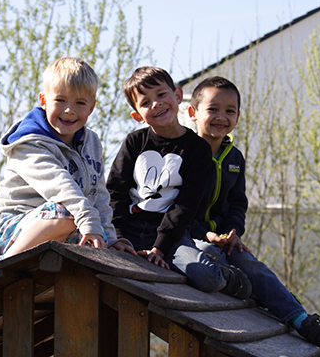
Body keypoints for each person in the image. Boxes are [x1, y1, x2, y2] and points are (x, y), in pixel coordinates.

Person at [187, 76, 320, 353]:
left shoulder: (235, 158)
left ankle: (303, 321)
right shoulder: (184, 154)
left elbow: (238, 203)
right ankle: (257, 290)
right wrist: (205, 233)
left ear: (238, 116)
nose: (221, 117)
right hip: (190, 237)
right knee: (208, 258)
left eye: (230, 111)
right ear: (193, 113)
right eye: (213, 109)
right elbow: (176, 206)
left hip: (222, 239)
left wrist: (234, 232)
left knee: (252, 264)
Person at [0, 57, 134, 278]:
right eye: (60, 100)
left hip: (67, 226)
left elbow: (98, 194)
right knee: (64, 212)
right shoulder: (29, 142)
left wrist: (109, 238)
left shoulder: (91, 142)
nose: (69, 110)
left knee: (96, 250)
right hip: (10, 231)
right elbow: (61, 186)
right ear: (44, 100)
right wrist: (89, 221)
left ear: (92, 107)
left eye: (80, 103)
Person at [106, 66, 252, 299]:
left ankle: (231, 278)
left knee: (205, 276)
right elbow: (115, 191)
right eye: (145, 103)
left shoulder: (197, 149)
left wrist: (160, 248)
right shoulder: (134, 142)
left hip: (171, 233)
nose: (156, 104)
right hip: (130, 230)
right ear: (136, 115)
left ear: (177, 95)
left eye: (161, 95)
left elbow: (185, 205)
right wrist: (119, 235)